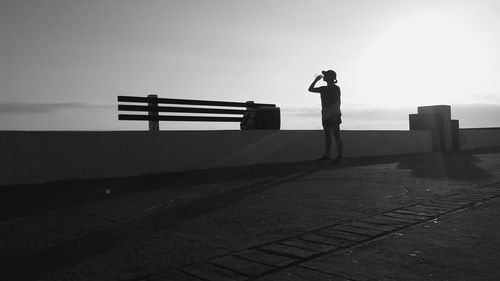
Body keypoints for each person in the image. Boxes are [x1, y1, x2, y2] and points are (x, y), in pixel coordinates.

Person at [308, 70, 343, 162]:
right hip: (326, 114)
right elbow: (310, 89)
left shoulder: (335, 88)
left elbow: (337, 102)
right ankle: (328, 155)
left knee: (336, 135)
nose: (324, 76)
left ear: (330, 77)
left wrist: (336, 114)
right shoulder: (324, 88)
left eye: (325, 75)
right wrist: (316, 80)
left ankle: (339, 155)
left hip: (333, 114)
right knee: (328, 136)